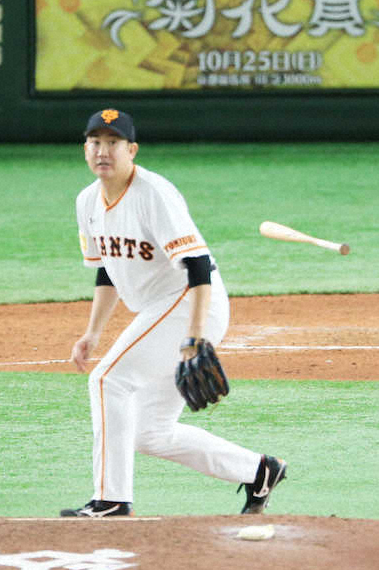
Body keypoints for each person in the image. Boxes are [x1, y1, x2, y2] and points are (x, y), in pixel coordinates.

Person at [63, 108, 286, 517]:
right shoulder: (86, 201)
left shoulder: (153, 193)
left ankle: (111, 500)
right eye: (95, 142)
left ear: (131, 149)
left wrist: (194, 338)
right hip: (160, 310)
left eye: (113, 143)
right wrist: (93, 332)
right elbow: (106, 270)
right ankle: (259, 471)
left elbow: (198, 266)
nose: (103, 151)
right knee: (150, 433)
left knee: (107, 380)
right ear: (85, 148)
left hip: (190, 302)